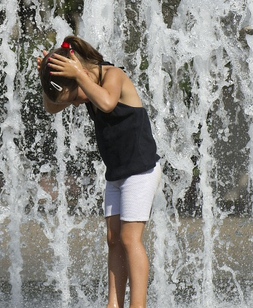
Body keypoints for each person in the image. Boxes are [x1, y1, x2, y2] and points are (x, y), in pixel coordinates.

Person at [36, 35, 162, 308]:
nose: (78, 103)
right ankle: (113, 304)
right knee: (113, 238)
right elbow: (51, 107)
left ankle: (138, 305)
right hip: (117, 172)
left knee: (130, 238)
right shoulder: (83, 88)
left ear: (80, 70)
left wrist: (79, 77)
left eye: (76, 98)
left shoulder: (113, 76)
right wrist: (46, 82)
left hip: (141, 169)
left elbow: (106, 103)